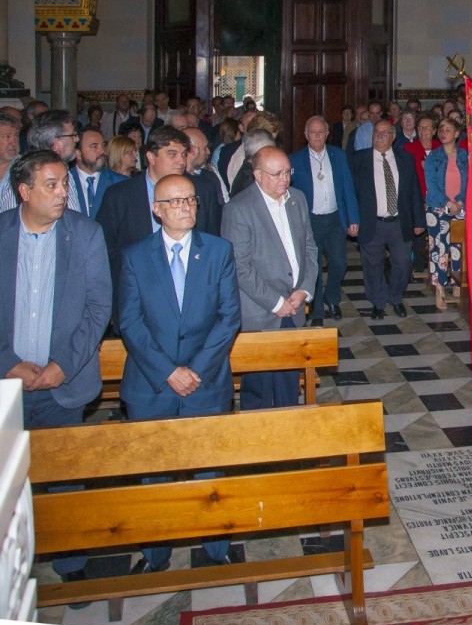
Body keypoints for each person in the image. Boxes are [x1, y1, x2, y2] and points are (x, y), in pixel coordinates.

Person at [117, 174, 241, 572]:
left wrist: (196, 371)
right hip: (151, 384)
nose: (185, 207)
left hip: (206, 382)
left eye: (190, 199)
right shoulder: (136, 256)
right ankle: (155, 554)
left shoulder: (219, 251)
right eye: (174, 201)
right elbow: (129, 322)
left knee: (209, 470)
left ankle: (215, 548)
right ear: (156, 209)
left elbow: (229, 318)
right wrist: (169, 371)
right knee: (156, 473)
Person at [0, 150, 111, 588]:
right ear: (24, 191)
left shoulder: (85, 234)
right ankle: (11, 571)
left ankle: (70, 563)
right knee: (9, 483)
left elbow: (99, 307)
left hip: (64, 384)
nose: (64, 192)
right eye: (52, 184)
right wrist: (7, 363)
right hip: (6, 386)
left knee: (65, 481)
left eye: (65, 183)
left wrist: (64, 365)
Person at [221, 147, 318, 409]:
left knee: (289, 385)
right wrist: (277, 303)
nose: (284, 180)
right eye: (277, 174)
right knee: (260, 389)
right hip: (260, 312)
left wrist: (304, 290)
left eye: (288, 172)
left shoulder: (297, 199)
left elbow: (310, 248)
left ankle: (289, 441)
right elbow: (239, 266)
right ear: (258, 175)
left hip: (294, 306)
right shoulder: (239, 209)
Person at [97, 127, 223, 317]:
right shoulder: (120, 196)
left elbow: (212, 242)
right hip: (139, 301)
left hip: (192, 298)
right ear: (150, 156)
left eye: (183, 154)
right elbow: (108, 252)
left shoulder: (203, 190)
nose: (181, 161)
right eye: (172, 154)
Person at [351, 119, 424, 319]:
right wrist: (352, 220)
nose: (380, 136)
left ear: (393, 137)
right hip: (371, 222)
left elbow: (414, 191)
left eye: (384, 133)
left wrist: (419, 221)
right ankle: (377, 302)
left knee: (402, 264)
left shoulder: (405, 158)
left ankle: (396, 298)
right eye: (377, 133)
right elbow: (350, 193)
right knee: (373, 265)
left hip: (400, 222)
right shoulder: (358, 159)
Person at [289, 116, 360, 323]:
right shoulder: (295, 159)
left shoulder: (338, 155)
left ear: (328, 134)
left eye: (321, 132)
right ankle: (318, 310)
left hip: (335, 219)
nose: (317, 136)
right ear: (305, 135)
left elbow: (348, 187)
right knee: (315, 268)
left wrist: (353, 218)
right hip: (310, 221)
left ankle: (332, 296)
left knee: (339, 263)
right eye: (313, 132)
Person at [424, 118, 468, 311]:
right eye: (441, 129)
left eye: (448, 129)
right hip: (437, 206)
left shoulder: (466, 156)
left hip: (461, 205)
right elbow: (431, 185)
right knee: (439, 248)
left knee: (459, 246)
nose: (443, 132)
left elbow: (470, 182)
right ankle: (440, 288)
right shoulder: (433, 157)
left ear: (457, 133)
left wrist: (458, 201)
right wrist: (446, 203)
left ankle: (457, 283)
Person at [26, 110, 83, 212]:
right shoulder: (26, 176)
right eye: (73, 135)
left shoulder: (66, 173)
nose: (77, 139)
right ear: (57, 144)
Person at [71, 128, 123, 218]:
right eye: (94, 146)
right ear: (78, 153)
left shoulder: (121, 183)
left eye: (103, 146)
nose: (102, 152)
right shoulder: (66, 181)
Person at [403, 110, 438, 199]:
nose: (423, 130)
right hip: (417, 195)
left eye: (427, 127)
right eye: (420, 127)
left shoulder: (440, 148)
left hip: (438, 195)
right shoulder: (408, 148)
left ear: (434, 131)